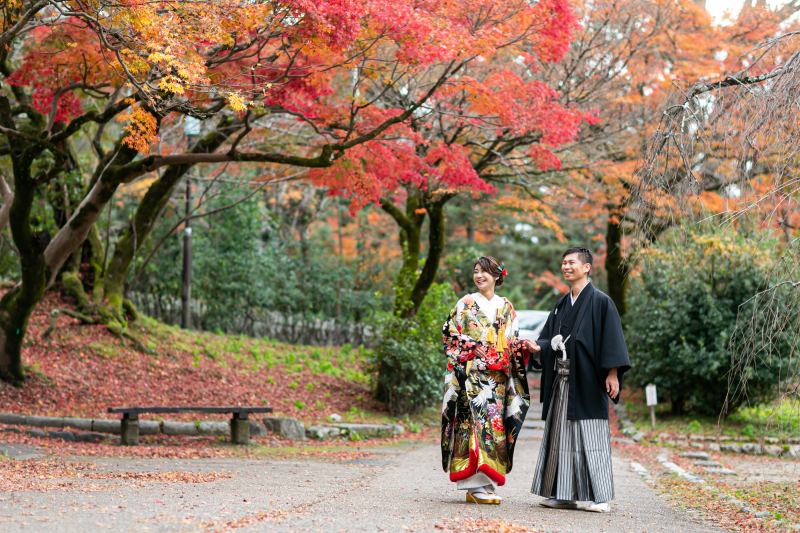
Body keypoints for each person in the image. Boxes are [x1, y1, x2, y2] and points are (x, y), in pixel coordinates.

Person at [525, 246, 631, 513]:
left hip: (587, 379)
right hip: (561, 381)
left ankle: (601, 497)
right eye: (563, 263)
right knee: (560, 437)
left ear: (587, 267)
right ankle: (563, 494)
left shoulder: (601, 302)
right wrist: (540, 347)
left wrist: (613, 372)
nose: (566, 267)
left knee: (591, 435)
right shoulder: (561, 304)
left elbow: (612, 340)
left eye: (571, 262)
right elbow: (548, 338)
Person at [441, 256, 530, 505]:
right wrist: (470, 346)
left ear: (497, 276)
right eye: (476, 271)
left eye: (485, 272)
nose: (479, 276)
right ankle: (473, 485)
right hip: (470, 378)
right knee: (472, 426)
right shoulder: (465, 303)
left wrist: (522, 347)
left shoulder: (506, 307)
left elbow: (513, 340)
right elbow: (449, 333)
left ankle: (488, 483)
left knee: (494, 430)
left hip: (497, 381)